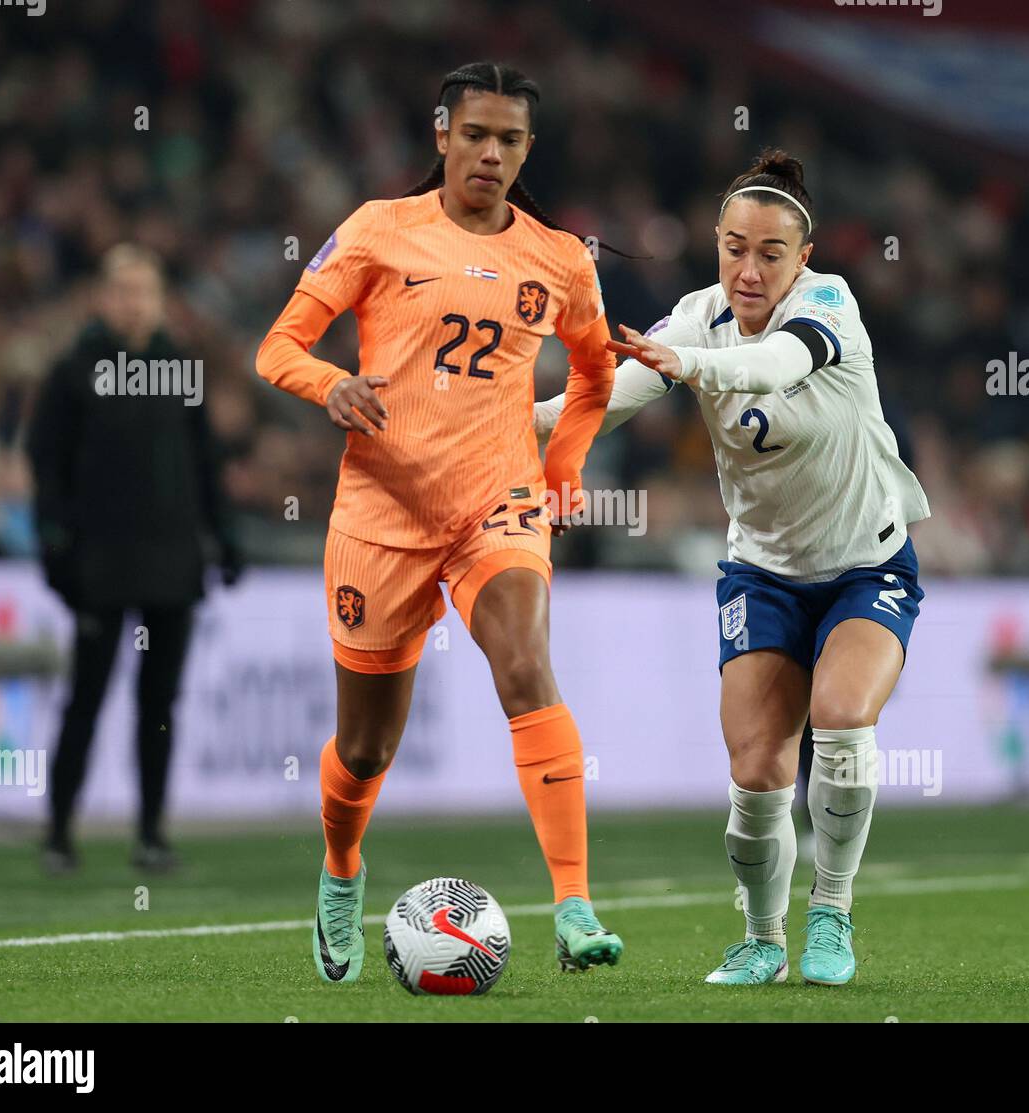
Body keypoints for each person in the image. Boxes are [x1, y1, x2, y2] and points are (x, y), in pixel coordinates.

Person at [256, 62, 623, 985]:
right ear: (441, 135)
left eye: (510, 140)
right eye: (476, 135)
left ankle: (574, 904)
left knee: (527, 667)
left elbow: (594, 374)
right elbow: (278, 347)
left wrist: (563, 467)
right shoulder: (380, 229)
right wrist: (330, 383)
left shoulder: (561, 258)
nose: (491, 154)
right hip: (379, 517)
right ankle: (342, 869)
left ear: (527, 150)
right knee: (367, 745)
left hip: (496, 506)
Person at [536, 149, 930, 986]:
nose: (749, 270)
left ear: (803, 258)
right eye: (733, 248)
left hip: (868, 563)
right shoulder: (695, 317)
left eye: (770, 253)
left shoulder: (830, 306)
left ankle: (831, 911)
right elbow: (599, 405)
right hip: (764, 572)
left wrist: (694, 366)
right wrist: (478, 418)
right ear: (715, 246)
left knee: (843, 716)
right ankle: (762, 938)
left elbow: (781, 363)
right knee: (756, 771)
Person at [27, 243, 242, 874]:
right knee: (86, 697)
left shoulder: (180, 368)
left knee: (160, 705)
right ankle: (59, 832)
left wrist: (223, 537)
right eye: (123, 289)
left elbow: (205, 464)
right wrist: (55, 545)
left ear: (160, 297)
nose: (134, 301)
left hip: (172, 563)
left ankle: (151, 832)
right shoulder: (74, 370)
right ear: (102, 295)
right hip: (100, 563)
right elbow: (47, 465)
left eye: (145, 289)